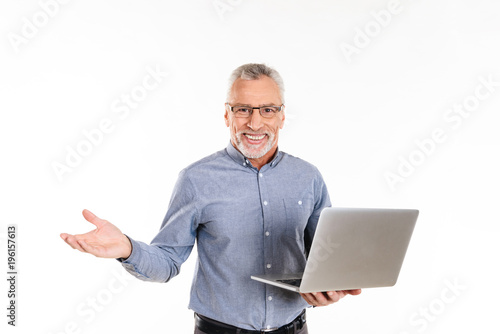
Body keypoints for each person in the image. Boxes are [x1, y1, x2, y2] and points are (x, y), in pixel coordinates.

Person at [60, 63, 361, 333]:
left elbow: (325, 257)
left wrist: (331, 286)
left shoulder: (307, 177)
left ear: (282, 116)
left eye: (267, 110)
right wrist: (127, 248)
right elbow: (166, 261)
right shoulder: (196, 179)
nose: (255, 123)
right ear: (227, 114)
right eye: (243, 109)